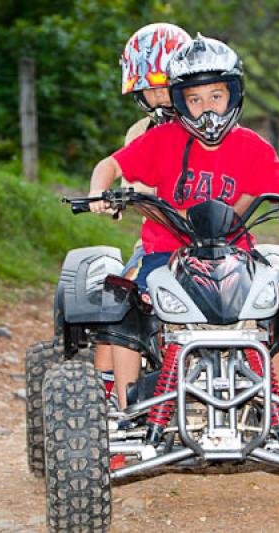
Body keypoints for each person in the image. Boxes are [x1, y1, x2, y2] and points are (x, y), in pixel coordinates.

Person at [89, 35, 279, 411]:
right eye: (195, 99)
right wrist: (99, 192)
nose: (207, 109)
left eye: (216, 97)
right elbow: (111, 165)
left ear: (233, 96)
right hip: (167, 251)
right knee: (126, 304)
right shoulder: (161, 140)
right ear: (181, 103)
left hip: (234, 252)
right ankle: (125, 407)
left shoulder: (250, 145)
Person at [94, 23, 191, 407]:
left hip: (216, 239)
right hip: (160, 243)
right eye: (150, 88)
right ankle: (114, 400)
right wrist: (112, 197)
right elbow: (131, 174)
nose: (159, 96)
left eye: (167, 85)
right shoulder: (141, 133)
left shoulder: (214, 126)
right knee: (117, 305)